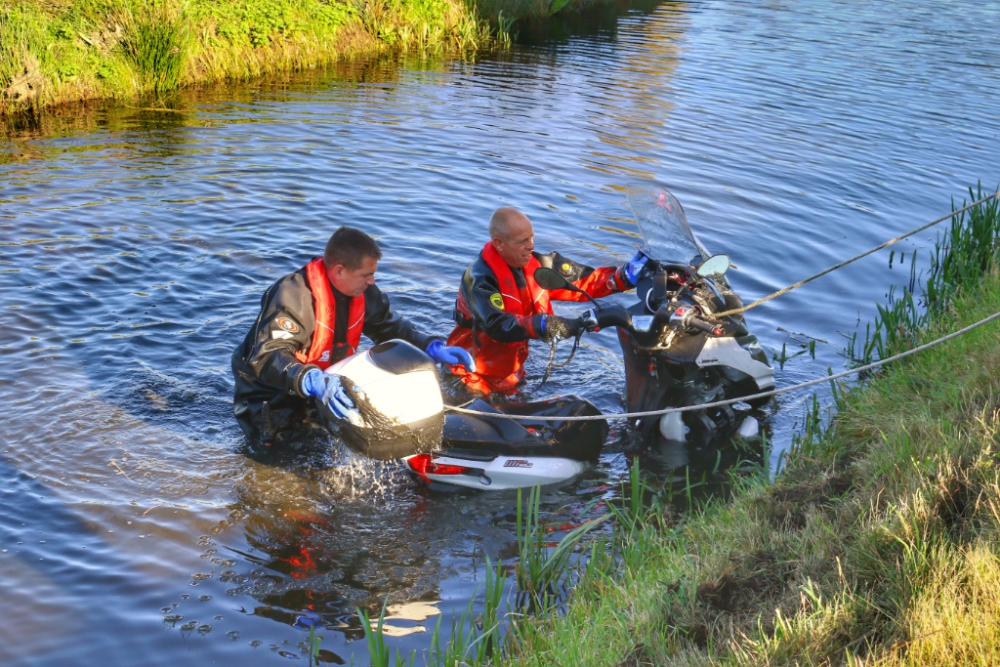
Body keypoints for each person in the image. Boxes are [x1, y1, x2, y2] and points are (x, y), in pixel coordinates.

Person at [232, 226, 474, 451]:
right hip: (269, 396)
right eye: (366, 275)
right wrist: (310, 379)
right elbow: (266, 355)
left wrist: (431, 346)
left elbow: (389, 327)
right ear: (339, 271)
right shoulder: (292, 296)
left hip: (323, 386)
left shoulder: (363, 291)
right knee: (280, 460)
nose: (372, 282)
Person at [445, 206, 649, 396]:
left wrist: (624, 277)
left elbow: (583, 281)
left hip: (511, 376)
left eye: (532, 238)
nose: (531, 246)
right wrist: (543, 324)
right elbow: (497, 325)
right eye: (522, 241)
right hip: (471, 376)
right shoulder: (480, 280)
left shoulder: (538, 266)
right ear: (499, 243)